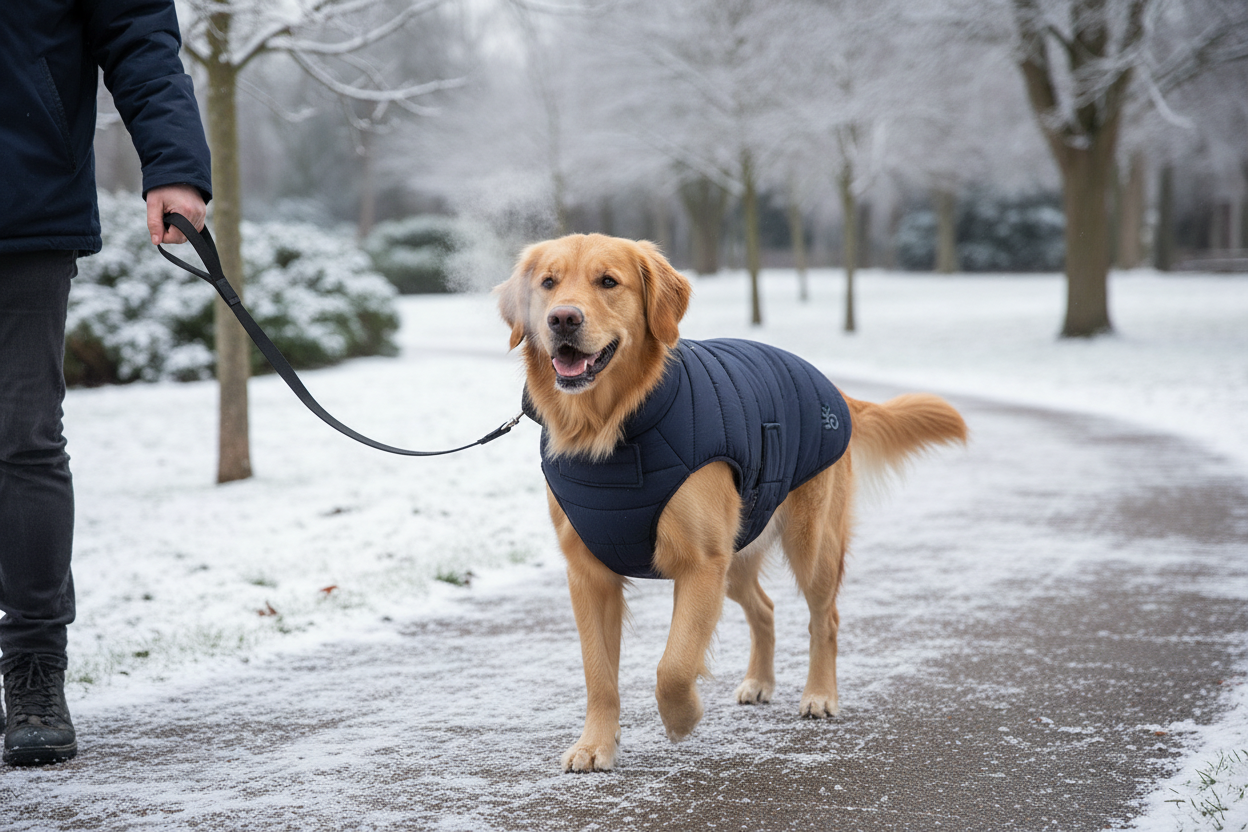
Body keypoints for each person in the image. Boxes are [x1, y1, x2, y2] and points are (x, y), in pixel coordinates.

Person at [0, 0, 211, 765]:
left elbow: (138, 37)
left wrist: (177, 166)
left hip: (18, 204)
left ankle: (32, 666)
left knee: (20, 437)